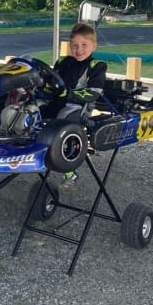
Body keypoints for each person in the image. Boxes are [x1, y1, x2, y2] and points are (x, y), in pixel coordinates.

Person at [47, 22, 107, 185]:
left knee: (62, 118)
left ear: (94, 46)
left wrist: (69, 94)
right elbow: (52, 81)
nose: (79, 49)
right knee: (32, 107)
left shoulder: (97, 66)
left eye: (84, 45)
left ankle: (68, 171)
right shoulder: (63, 61)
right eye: (75, 45)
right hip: (57, 100)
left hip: (78, 107)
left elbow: (94, 92)